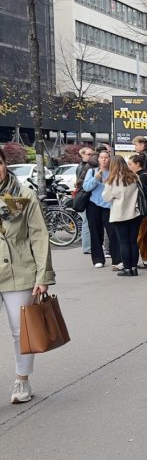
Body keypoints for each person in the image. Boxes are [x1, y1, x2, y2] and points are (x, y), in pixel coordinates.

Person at [0, 145, 56, 403]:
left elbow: (39, 236)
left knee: (21, 330)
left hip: (20, 271)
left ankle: (22, 379)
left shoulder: (23, 195)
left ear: (5, 165)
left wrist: (43, 276)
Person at [103, 155, 145, 277]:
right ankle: (134, 268)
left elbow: (106, 197)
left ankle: (127, 269)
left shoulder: (112, 180)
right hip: (135, 213)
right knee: (133, 242)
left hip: (120, 214)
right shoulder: (134, 176)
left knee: (123, 242)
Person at [83, 149, 120, 269]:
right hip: (93, 205)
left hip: (109, 205)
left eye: (106, 157)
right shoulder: (92, 171)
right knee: (95, 232)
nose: (104, 160)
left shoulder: (114, 172)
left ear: (110, 159)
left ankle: (117, 259)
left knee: (113, 233)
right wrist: (95, 179)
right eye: (102, 157)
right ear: (98, 159)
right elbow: (86, 187)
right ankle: (98, 258)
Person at [127, 153, 147, 269]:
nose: (128, 166)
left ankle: (129, 262)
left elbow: (140, 195)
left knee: (137, 236)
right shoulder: (145, 175)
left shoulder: (141, 177)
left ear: (137, 164)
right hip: (146, 210)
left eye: (130, 164)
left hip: (142, 210)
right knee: (144, 236)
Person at [75, 146, 95, 255]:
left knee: (87, 221)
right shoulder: (84, 167)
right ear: (82, 155)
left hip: (84, 196)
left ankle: (89, 246)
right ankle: (87, 247)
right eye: (88, 154)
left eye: (92, 154)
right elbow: (81, 183)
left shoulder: (85, 165)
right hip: (84, 197)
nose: (91, 156)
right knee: (86, 222)